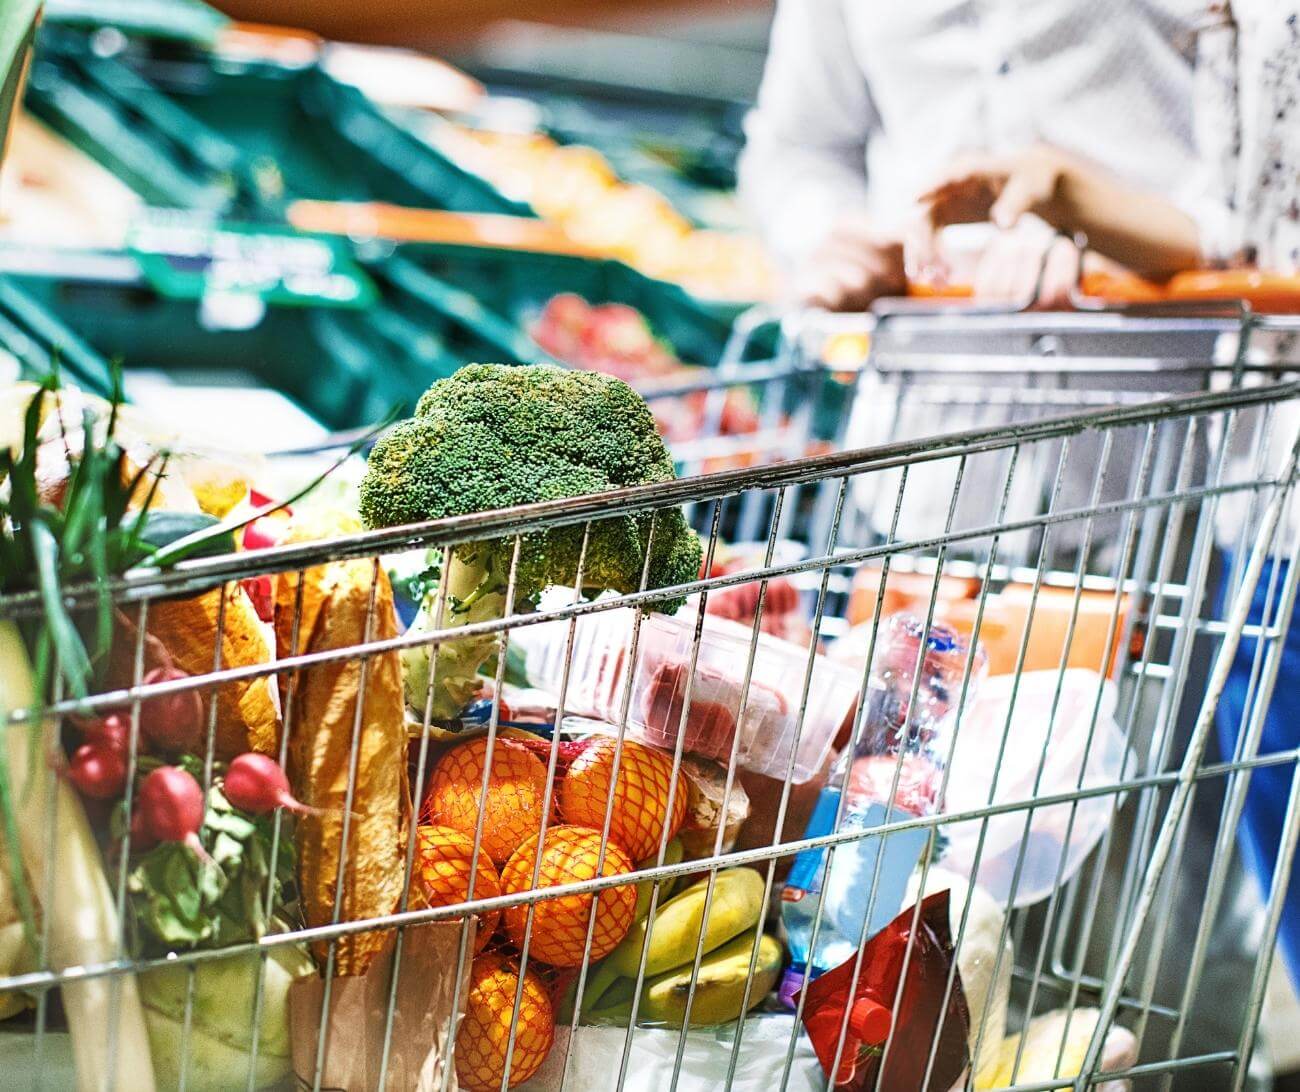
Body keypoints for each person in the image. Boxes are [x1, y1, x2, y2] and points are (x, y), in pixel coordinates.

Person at [737, 1, 1204, 310]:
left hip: (1178, 362)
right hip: (924, 392)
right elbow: (797, 147)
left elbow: (1264, 167)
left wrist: (1122, 234)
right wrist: (830, 235)